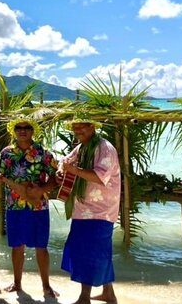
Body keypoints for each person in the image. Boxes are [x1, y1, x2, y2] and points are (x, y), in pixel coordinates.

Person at [0, 117, 59, 298]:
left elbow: (56, 177)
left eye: (26, 127)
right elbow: (0, 174)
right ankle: (17, 283)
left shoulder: (43, 153)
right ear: (13, 131)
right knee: (17, 246)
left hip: (38, 206)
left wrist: (43, 189)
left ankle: (46, 286)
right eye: (18, 128)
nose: (22, 130)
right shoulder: (6, 153)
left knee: (41, 247)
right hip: (14, 206)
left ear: (33, 130)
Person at [58, 117, 121, 304]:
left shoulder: (105, 148)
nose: (78, 131)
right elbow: (66, 161)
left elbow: (99, 176)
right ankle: (109, 294)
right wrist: (62, 168)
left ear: (92, 127)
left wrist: (74, 170)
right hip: (84, 209)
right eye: (75, 128)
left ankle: (84, 297)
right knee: (97, 252)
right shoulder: (82, 147)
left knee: (90, 252)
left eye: (82, 127)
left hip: (101, 211)